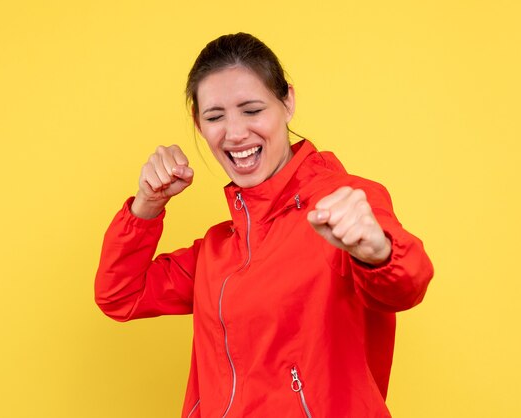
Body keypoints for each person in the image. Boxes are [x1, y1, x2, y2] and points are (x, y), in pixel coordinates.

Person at [95, 33, 433, 417]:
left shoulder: (341, 205)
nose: (235, 133)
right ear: (198, 123)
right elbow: (119, 294)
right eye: (215, 116)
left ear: (287, 101)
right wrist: (148, 204)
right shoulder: (218, 250)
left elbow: (407, 285)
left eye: (252, 110)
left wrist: (379, 254)